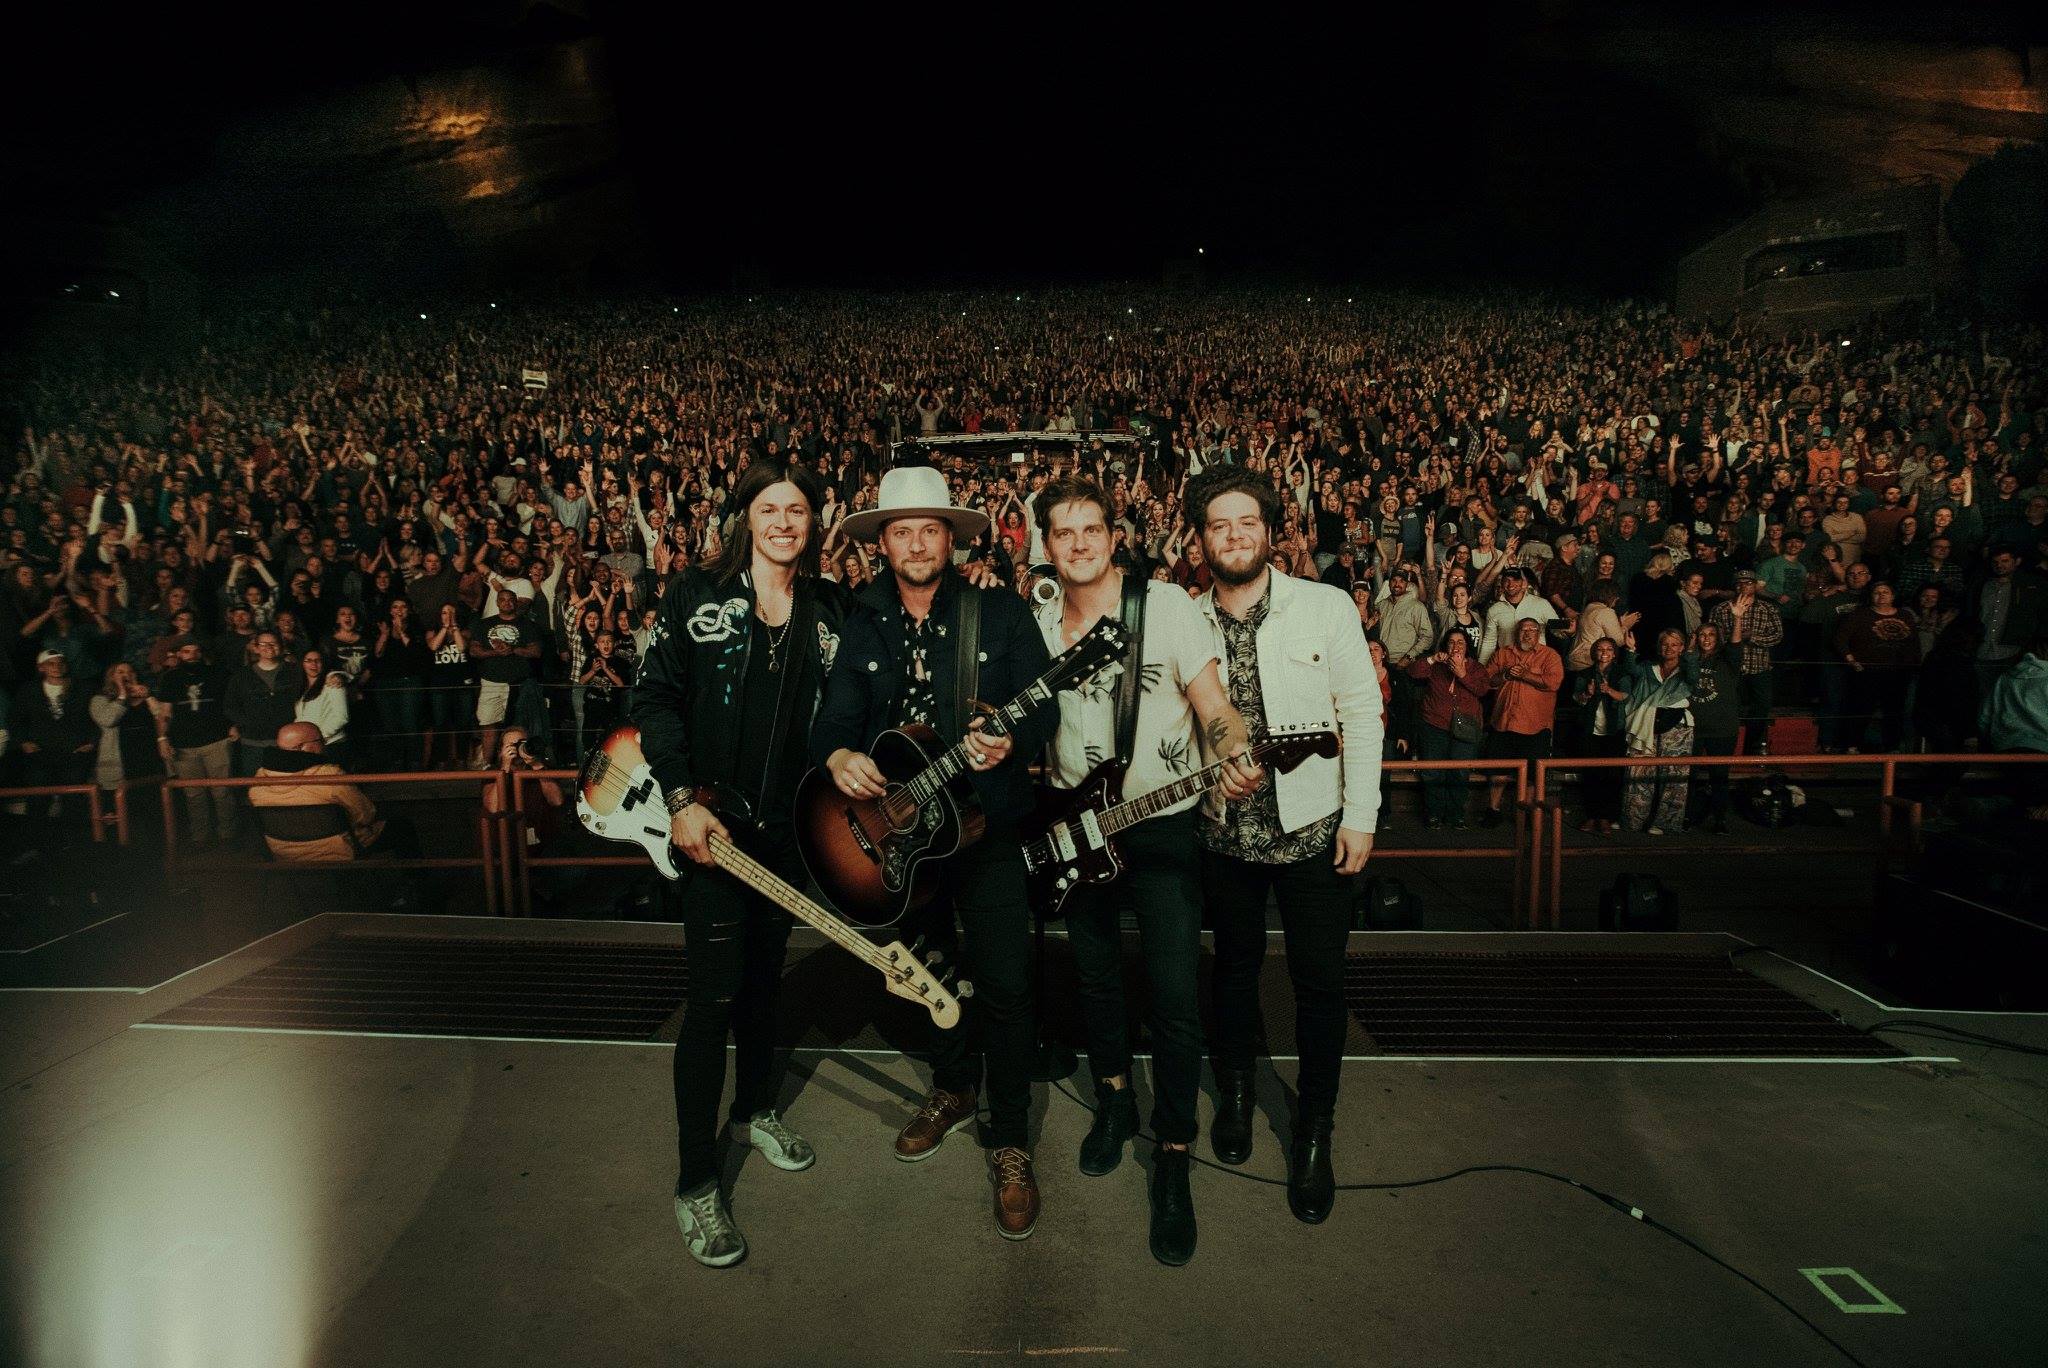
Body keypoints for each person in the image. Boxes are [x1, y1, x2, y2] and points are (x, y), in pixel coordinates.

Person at [811, 464, 1056, 1243]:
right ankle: (953, 1088)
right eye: (901, 530)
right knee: (932, 977)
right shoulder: (862, 620)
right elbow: (831, 721)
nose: (916, 542)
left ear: (951, 540)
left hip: (985, 832)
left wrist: (1013, 735)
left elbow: (1045, 704)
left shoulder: (1000, 612)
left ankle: (1011, 1136)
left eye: (930, 529)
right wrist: (840, 756)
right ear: (881, 543)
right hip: (902, 844)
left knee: (1007, 985)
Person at [634, 457, 859, 1269]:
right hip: (712, 827)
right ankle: (697, 1182)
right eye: (770, 508)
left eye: (797, 509)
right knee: (714, 998)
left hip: (785, 834)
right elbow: (653, 697)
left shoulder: (829, 607)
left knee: (766, 981)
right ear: (745, 518)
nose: (784, 522)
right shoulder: (694, 594)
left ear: (814, 522)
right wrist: (680, 797)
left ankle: (755, 1111)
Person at [1032, 476, 1262, 1266]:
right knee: (1095, 979)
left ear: (1112, 533)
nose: (1081, 543)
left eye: (1092, 528)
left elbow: (1213, 701)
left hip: (1160, 830)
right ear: (1047, 545)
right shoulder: (1037, 623)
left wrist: (1233, 748)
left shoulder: (1161, 605)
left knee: (1171, 994)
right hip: (1075, 826)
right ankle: (1113, 1101)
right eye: (1064, 532)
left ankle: (1172, 1151)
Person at [1187, 468, 1382, 1226]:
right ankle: (1235, 1093)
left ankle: (1313, 1131)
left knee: (1319, 985)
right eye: (1217, 525)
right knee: (1232, 973)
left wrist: (1360, 816)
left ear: (1272, 531)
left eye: (1246, 523)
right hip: (1222, 836)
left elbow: (1360, 712)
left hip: (1313, 834)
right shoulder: (1183, 618)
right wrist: (1210, 778)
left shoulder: (1325, 606)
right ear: (1198, 538)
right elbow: (1172, 726)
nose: (1233, 536)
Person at [247, 721, 421, 866]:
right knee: (403, 828)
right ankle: (417, 887)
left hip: (283, 852)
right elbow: (365, 815)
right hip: (337, 851)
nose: (324, 744)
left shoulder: (259, 779)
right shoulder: (329, 775)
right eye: (320, 740)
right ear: (302, 747)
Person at [1480, 616, 1563, 826]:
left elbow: (1553, 683)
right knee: (1498, 771)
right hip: (1504, 722)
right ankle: (1493, 810)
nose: (1527, 633)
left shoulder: (1550, 656)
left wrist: (1526, 675)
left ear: (1538, 633)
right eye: (1523, 630)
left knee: (1532, 775)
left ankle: (1527, 814)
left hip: (1535, 725)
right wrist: (1506, 675)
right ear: (1517, 633)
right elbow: (1486, 681)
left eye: (1532, 630)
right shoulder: (1504, 653)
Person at [10, 649, 100, 839]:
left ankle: (73, 842)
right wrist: (23, 742)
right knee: (37, 797)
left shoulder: (83, 688)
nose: (56, 667)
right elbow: (15, 720)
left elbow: (96, 718)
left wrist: (91, 743)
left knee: (73, 797)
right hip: (41, 754)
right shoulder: (29, 691)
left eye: (60, 662)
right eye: (51, 663)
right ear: (41, 667)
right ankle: (35, 842)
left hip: (74, 753)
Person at [159, 635, 239, 845]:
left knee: (222, 791)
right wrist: (162, 737)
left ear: (202, 653)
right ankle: (200, 837)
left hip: (216, 740)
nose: (192, 655)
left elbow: (230, 702)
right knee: (194, 795)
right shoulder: (170, 678)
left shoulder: (218, 673)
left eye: (196, 651)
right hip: (183, 744)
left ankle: (227, 835)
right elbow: (165, 712)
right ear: (178, 654)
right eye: (186, 651)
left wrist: (233, 725)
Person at [1407, 631, 1492, 828]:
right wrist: (1432, 658)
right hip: (1434, 725)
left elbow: (1482, 690)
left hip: (1465, 728)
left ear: (1467, 646)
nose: (1456, 646)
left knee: (1460, 773)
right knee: (1432, 772)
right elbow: (1413, 672)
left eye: (1460, 642)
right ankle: (1434, 815)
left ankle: (1456, 816)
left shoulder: (1476, 668)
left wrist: (1462, 673)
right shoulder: (1437, 665)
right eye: (1452, 642)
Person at [1621, 628, 1696, 835]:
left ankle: (1665, 823)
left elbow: (1694, 677)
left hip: (1677, 727)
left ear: (1681, 647)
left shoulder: (1687, 667)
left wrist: (1690, 654)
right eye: (1665, 644)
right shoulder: (1648, 667)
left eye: (1674, 644)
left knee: (1674, 775)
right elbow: (1632, 669)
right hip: (1646, 725)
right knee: (1638, 772)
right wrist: (1630, 649)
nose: (1669, 648)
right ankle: (1633, 821)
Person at [1706, 569, 1785, 753]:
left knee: (1761, 709)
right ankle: (1725, 750)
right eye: (1739, 583)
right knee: (1729, 709)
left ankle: (1752, 749)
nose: (1743, 586)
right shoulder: (1721, 608)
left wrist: (1753, 637)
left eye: (1748, 583)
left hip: (1759, 667)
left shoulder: (1768, 608)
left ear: (1755, 585)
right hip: (1730, 669)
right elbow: (1712, 638)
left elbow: (1777, 636)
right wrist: (1736, 637)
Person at [1570, 637, 1632, 834]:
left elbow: (1626, 696)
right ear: (1594, 653)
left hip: (1614, 732)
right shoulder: (1585, 674)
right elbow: (1577, 698)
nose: (1604, 652)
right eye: (1600, 649)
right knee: (1590, 774)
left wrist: (1608, 690)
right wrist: (1588, 694)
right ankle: (1591, 816)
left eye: (1608, 649)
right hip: (1590, 730)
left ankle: (1606, 817)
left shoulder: (1622, 673)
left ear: (1614, 654)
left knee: (1611, 775)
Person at [223, 630, 299, 777]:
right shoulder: (242, 676)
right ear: (256, 648)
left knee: (287, 786)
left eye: (273, 643)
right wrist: (248, 723)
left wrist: (335, 676)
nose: (269, 647)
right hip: (253, 743)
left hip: (287, 742)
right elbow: (230, 706)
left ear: (281, 647)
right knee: (256, 787)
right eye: (263, 644)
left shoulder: (293, 672)